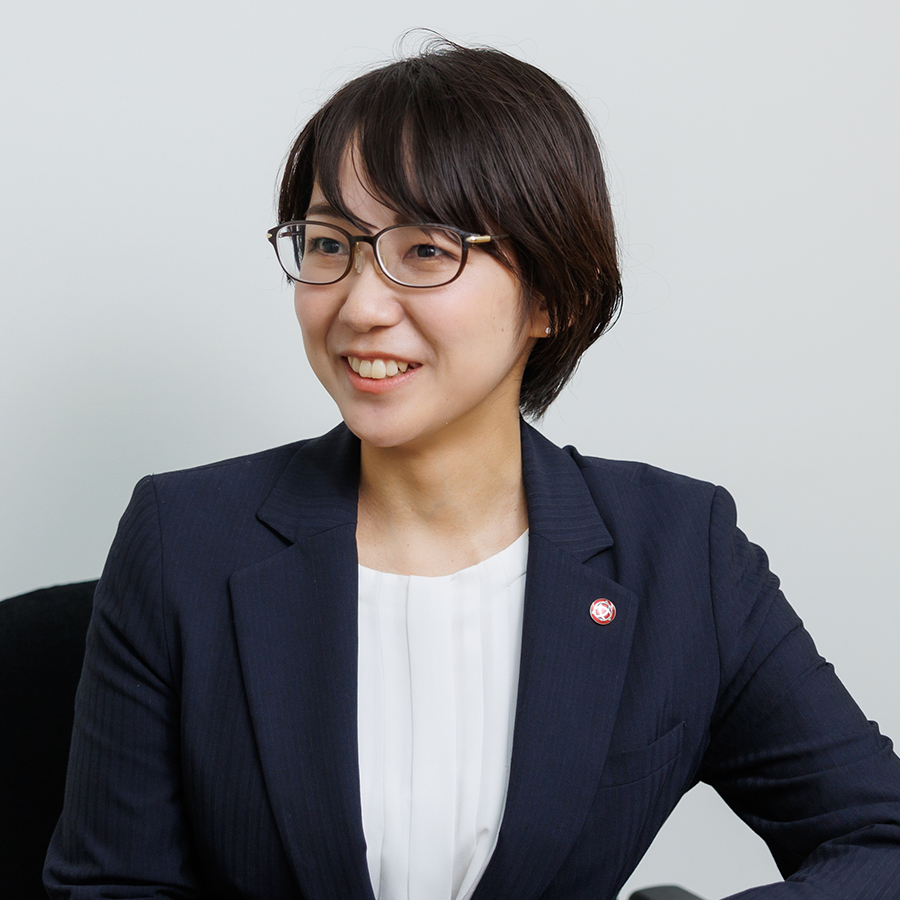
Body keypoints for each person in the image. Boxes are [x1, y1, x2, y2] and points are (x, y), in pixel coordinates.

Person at [45, 38, 900, 900]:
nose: (361, 305)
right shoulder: (183, 539)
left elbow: (881, 838)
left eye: (426, 251)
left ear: (554, 295)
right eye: (330, 244)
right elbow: (112, 887)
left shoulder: (681, 554)